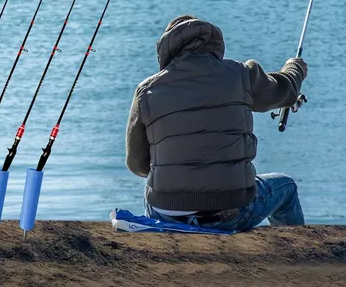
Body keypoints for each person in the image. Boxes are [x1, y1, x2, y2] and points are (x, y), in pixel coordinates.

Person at [125, 15, 307, 232]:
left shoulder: (146, 91)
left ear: (166, 48)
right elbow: (284, 91)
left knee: (153, 188)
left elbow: (137, 165)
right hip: (231, 212)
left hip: (166, 213)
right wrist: (295, 68)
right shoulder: (240, 75)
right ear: (215, 43)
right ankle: (293, 253)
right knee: (286, 187)